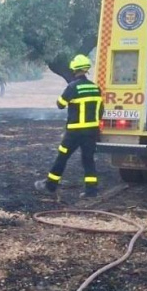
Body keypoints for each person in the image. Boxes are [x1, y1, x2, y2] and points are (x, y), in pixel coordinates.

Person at [35, 54, 105, 198]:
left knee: (62, 157)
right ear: (86, 70)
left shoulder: (73, 87)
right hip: (91, 132)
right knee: (88, 160)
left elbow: (60, 104)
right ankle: (91, 191)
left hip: (74, 132)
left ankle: (50, 185)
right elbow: (101, 110)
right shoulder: (95, 88)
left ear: (74, 69)